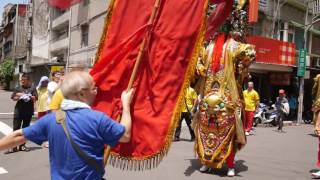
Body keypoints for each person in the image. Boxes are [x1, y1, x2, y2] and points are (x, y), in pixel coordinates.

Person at [0, 71, 134, 179]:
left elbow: (18, 136)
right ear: (81, 93)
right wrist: (126, 106)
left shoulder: (51, 119)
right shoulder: (97, 119)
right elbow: (126, 135)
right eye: (94, 88)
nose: (96, 91)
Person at [193, 32, 255, 177]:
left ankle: (230, 165)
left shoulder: (234, 45)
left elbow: (250, 54)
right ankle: (206, 162)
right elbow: (197, 62)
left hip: (228, 99)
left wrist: (244, 58)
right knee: (204, 131)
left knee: (229, 133)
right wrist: (199, 66)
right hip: (208, 99)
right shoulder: (208, 47)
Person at [8, 73, 38, 152]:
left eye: (24, 80)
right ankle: (13, 146)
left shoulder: (32, 88)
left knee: (25, 130)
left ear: (28, 80)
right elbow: (13, 97)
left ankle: (22, 146)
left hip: (28, 112)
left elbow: (35, 98)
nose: (22, 82)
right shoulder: (18, 88)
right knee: (16, 129)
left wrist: (29, 96)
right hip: (18, 111)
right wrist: (20, 96)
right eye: (21, 80)